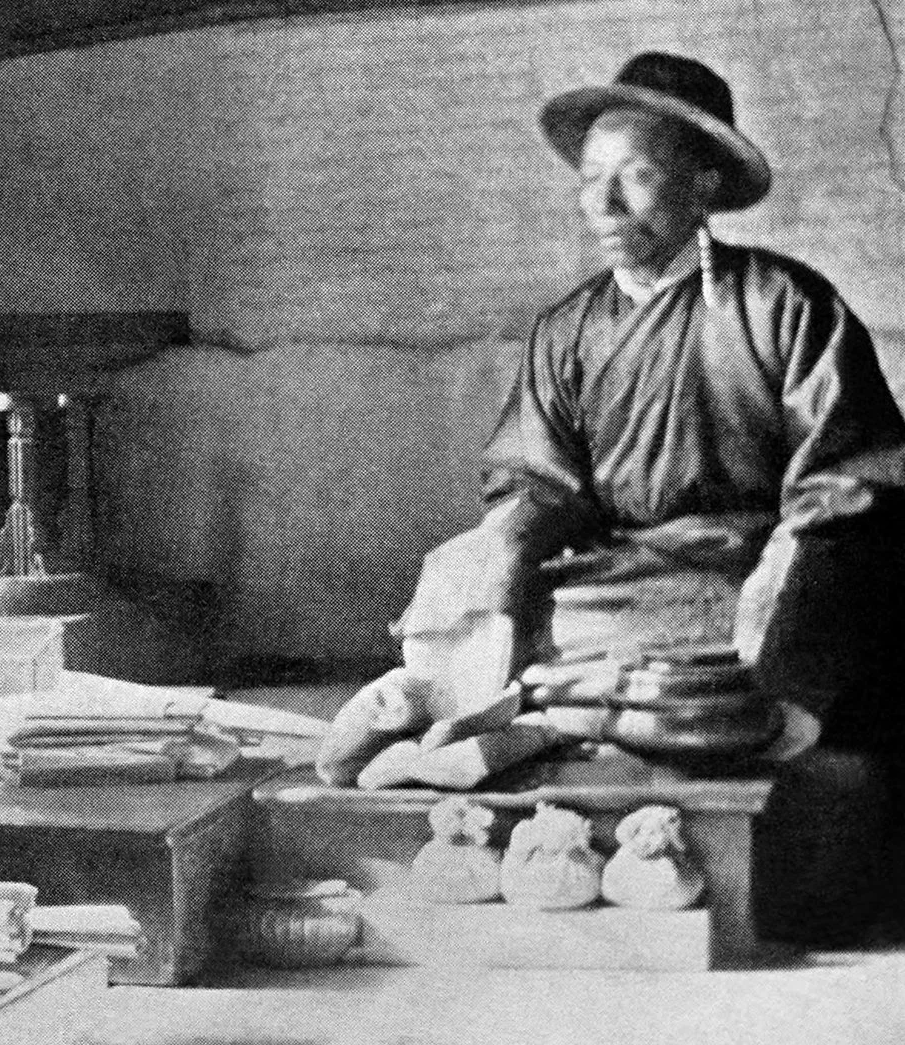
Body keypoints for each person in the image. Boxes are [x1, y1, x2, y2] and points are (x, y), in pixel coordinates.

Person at [333, 52, 905, 938]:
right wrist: (507, 541)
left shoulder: (784, 303)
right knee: (503, 592)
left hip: (753, 567)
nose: (603, 207)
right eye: (592, 180)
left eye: (634, 179)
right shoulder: (570, 327)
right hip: (619, 575)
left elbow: (850, 474)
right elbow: (535, 479)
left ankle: (540, 716)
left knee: (802, 619)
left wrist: (784, 569)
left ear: (702, 185)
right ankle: (460, 715)